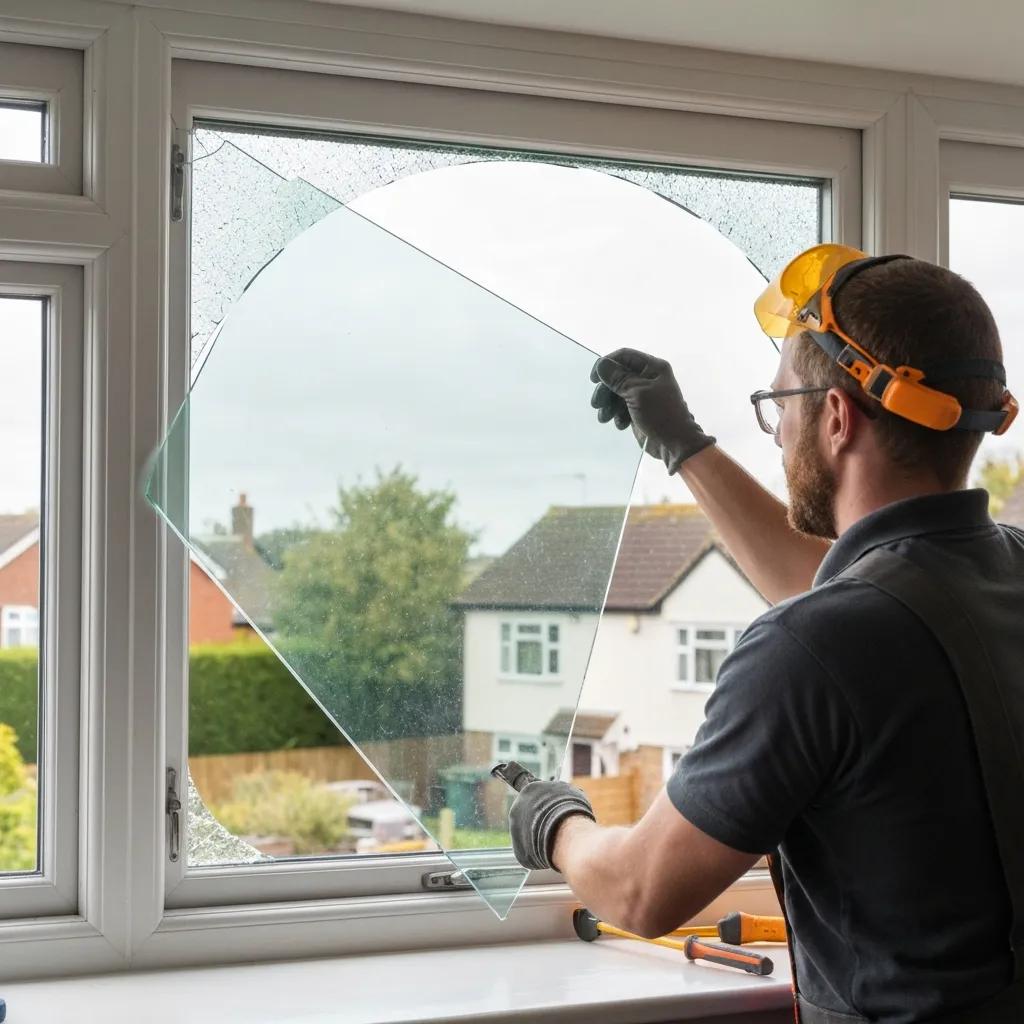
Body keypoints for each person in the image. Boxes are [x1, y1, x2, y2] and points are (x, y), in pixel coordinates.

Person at [507, 244, 1024, 1023]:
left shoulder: (818, 647)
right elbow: (857, 599)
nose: (777, 435)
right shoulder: (999, 573)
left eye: (780, 405)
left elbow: (641, 892)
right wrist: (685, 446)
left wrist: (555, 823)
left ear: (838, 418)